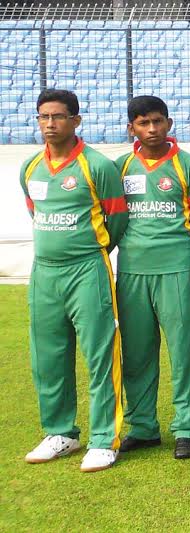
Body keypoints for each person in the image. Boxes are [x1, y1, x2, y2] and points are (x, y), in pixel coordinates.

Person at [20, 89, 127, 472]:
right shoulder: (30, 167)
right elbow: (37, 213)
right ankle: (60, 432)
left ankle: (103, 439)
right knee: (48, 356)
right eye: (44, 117)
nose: (50, 124)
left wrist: (87, 249)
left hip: (86, 269)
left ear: (76, 120)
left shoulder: (96, 166)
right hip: (45, 272)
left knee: (99, 355)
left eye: (59, 117)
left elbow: (115, 220)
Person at [114, 95, 190, 460]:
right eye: (143, 123)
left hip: (175, 269)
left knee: (183, 352)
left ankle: (187, 427)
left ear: (169, 124)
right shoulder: (119, 167)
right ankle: (143, 427)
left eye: (157, 122)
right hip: (132, 271)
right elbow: (109, 219)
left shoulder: (189, 166)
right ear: (131, 128)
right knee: (136, 353)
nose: (151, 129)